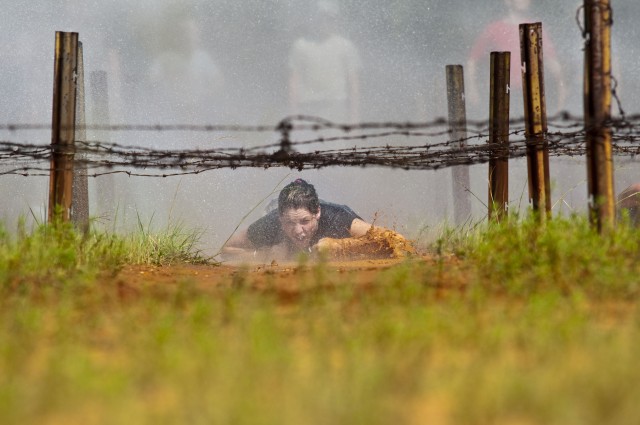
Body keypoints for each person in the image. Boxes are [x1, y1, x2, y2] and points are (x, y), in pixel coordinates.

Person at [222, 179, 407, 261]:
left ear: (317, 213)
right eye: (289, 223)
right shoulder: (271, 224)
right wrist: (261, 256)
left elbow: (398, 241)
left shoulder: (337, 218)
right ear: (280, 218)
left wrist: (340, 246)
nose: (297, 231)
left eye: (304, 221)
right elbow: (226, 250)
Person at [466, 0, 566, 116]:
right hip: (501, 93)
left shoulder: (534, 29)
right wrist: (472, 89)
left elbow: (552, 62)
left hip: (530, 93)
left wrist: (562, 89)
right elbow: (472, 60)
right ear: (508, 1)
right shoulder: (494, 29)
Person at [288, 0, 361, 123]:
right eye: (321, 18)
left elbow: (353, 83)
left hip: (336, 107)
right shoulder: (301, 46)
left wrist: (354, 117)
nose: (325, 22)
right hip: (308, 108)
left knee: (335, 142)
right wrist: (293, 113)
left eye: (329, 18)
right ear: (314, 19)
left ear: (336, 20)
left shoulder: (345, 46)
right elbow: (294, 81)